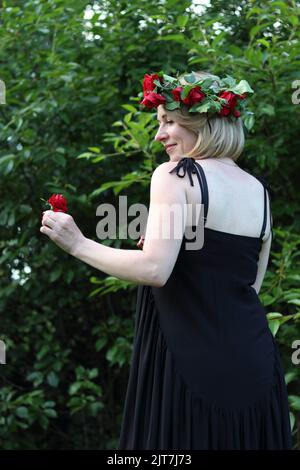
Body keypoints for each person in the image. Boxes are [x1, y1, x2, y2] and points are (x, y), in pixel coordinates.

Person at [40, 70, 293, 450]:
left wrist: (77, 244)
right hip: (257, 370)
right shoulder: (259, 191)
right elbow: (247, 287)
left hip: (192, 368)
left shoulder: (176, 175)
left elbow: (155, 270)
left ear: (202, 122)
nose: (159, 135)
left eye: (169, 122)